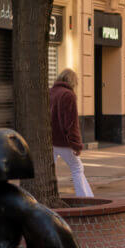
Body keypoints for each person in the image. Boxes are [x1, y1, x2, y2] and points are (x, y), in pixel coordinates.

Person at [49, 69, 94, 198]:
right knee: (77, 167)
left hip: (50, 140)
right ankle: (85, 198)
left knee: (49, 170)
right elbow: (71, 123)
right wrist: (76, 145)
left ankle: (48, 196)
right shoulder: (68, 95)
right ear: (73, 81)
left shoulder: (50, 92)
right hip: (63, 140)